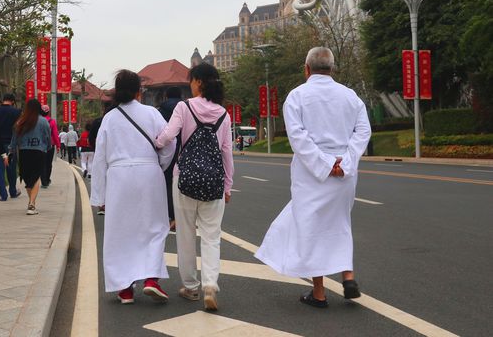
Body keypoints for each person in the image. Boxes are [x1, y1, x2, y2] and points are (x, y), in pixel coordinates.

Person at [255, 47, 371, 308]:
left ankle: (319, 293)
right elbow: (363, 131)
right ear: (332, 69)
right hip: (344, 172)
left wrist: (326, 164)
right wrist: (346, 162)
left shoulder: (297, 96)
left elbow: (298, 139)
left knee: (312, 229)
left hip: (312, 174)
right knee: (340, 222)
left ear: (306, 69)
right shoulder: (351, 96)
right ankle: (348, 275)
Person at [90, 70, 176, 304]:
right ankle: (151, 279)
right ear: (140, 90)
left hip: (119, 177)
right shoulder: (152, 114)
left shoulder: (109, 119)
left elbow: (100, 157)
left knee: (120, 231)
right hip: (149, 174)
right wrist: (159, 165)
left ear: (117, 92)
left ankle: (125, 288)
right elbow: (169, 143)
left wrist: (99, 194)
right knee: (155, 227)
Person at [155, 63, 233, 311]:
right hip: (213, 182)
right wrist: (228, 185)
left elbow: (168, 135)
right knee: (212, 237)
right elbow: (227, 152)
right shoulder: (223, 113)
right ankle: (210, 285)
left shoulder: (184, 107)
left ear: (198, 81)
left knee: (186, 235)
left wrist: (157, 143)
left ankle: (190, 287)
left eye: (191, 80)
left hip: (185, 179)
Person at [9, 99, 52, 215]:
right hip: (39, 152)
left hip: (24, 152)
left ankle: (31, 203)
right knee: (36, 177)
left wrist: (11, 151)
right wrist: (48, 147)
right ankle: (32, 204)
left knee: (28, 179)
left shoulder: (20, 121)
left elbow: (14, 139)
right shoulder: (43, 121)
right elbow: (48, 136)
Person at [158, 86, 183, 230]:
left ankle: (172, 216)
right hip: (184, 151)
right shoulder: (187, 108)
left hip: (167, 150)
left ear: (166, 96)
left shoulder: (160, 111)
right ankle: (183, 217)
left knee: (167, 184)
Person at [0, 93, 22, 201]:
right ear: (12, 101)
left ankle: (3, 195)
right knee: (11, 169)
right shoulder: (16, 112)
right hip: (11, 144)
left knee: (0, 170)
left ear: (3, 100)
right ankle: (12, 191)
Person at [89, 102, 114, 216]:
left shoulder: (99, 121)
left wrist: (95, 148)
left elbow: (91, 137)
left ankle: (101, 204)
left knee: (101, 176)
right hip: (115, 154)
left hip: (100, 151)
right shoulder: (116, 120)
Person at [40, 104, 61, 188]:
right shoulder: (52, 121)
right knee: (48, 163)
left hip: (40, 145)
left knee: (42, 163)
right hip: (50, 145)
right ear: (48, 112)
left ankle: (43, 181)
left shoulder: (38, 121)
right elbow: (55, 134)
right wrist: (58, 145)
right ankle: (47, 179)